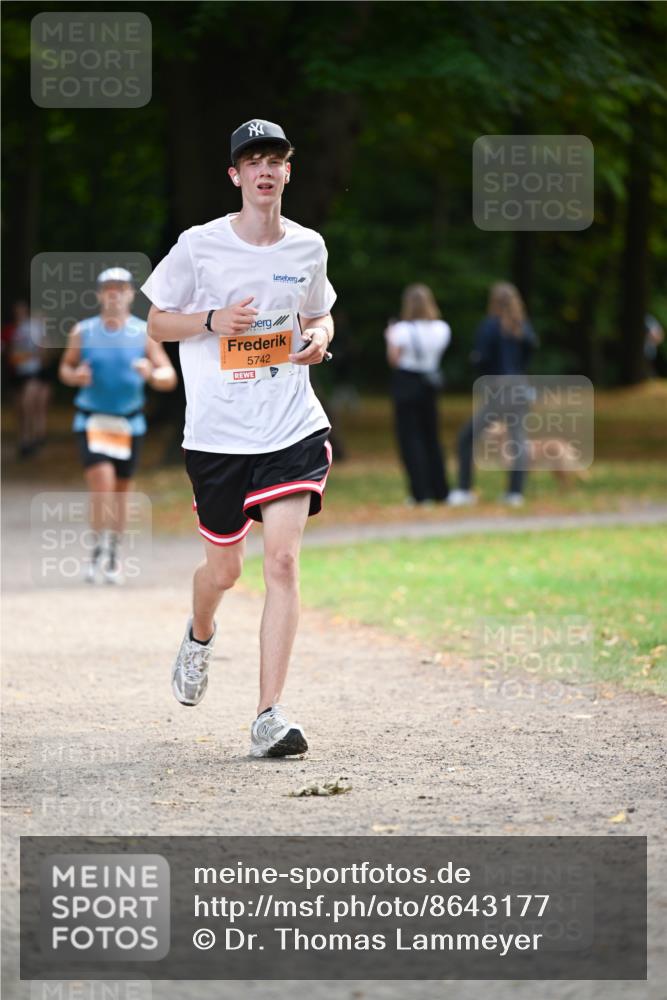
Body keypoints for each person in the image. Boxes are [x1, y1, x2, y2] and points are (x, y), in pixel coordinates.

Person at [141, 119, 336, 759]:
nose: (264, 170)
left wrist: (321, 338)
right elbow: (158, 320)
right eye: (251, 160)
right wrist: (210, 320)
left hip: (290, 425)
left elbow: (318, 311)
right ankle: (199, 636)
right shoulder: (199, 246)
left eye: (274, 159)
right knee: (223, 570)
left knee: (281, 561)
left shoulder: (308, 247)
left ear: (288, 171)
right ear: (235, 175)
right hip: (219, 436)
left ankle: (269, 716)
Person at [59, 267, 177, 583]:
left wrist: (151, 373)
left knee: (122, 492)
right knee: (103, 482)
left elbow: (169, 377)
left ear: (130, 294)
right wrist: (76, 376)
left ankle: (112, 553)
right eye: (108, 287)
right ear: (99, 294)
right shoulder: (83, 331)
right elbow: (66, 369)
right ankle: (97, 547)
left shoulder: (143, 332)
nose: (114, 293)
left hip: (129, 423)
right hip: (93, 419)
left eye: (120, 287)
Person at [448, 282, 538, 508]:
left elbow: (481, 358)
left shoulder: (490, 326)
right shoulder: (523, 327)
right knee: (518, 439)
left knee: (466, 436)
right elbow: (529, 352)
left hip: (498, 388)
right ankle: (515, 493)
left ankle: (464, 489)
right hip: (520, 386)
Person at [385, 284, 451, 505]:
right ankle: (441, 490)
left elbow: (394, 359)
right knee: (432, 437)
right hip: (429, 384)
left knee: (410, 439)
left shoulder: (401, 330)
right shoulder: (442, 328)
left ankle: (420, 493)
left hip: (406, 382)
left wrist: (389, 338)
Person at [6, 300, 54, 459]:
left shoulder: (40, 331)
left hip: (36, 373)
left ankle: (32, 438)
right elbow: (13, 353)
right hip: (20, 372)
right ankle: (27, 438)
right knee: (22, 408)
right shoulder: (19, 330)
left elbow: (45, 356)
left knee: (32, 406)